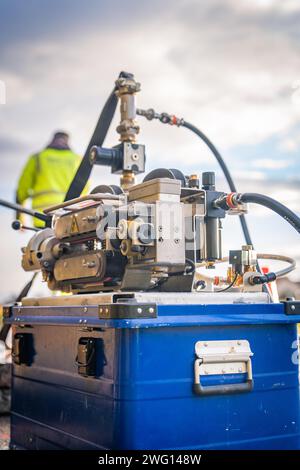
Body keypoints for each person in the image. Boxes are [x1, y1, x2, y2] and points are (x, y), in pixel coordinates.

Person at [16, 131, 86, 227]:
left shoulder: (37, 157)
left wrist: (19, 217)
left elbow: (22, 189)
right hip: (69, 217)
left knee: (44, 241)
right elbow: (85, 188)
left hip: (42, 217)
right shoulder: (77, 159)